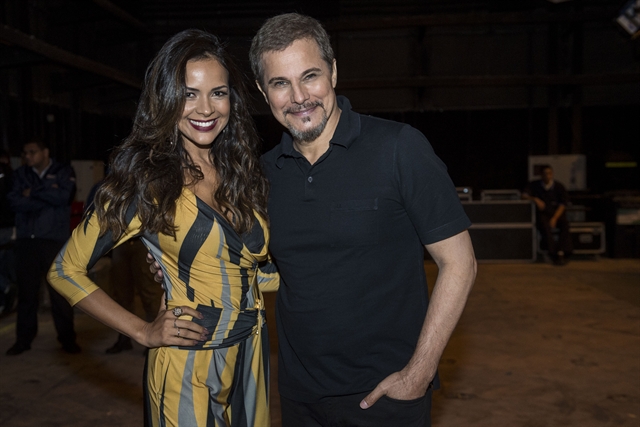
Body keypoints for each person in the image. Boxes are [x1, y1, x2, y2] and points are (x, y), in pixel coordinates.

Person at [251, 13, 476, 427]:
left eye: (311, 76)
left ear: (334, 71)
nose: (299, 96)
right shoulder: (264, 174)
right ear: (265, 93)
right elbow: (257, 264)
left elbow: (460, 263)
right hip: (300, 399)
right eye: (280, 83)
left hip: (386, 397)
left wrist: (418, 375)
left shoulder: (398, 148)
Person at [48, 29, 278, 427]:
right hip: (187, 366)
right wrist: (143, 330)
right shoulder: (146, 183)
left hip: (251, 359)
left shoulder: (240, 172)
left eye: (218, 93)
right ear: (166, 98)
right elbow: (65, 270)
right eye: (189, 93)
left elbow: (254, 275)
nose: (205, 108)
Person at [6, 139, 79, 355]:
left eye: (32, 152)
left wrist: (33, 193)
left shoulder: (63, 171)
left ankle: (67, 339)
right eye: (25, 152)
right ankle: (23, 339)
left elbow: (64, 196)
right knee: (27, 294)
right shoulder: (20, 174)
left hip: (53, 241)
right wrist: (48, 192)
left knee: (59, 293)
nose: (27, 156)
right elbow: (14, 202)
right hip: (27, 242)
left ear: (45, 153)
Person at [522, 164, 572, 265]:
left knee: (565, 225)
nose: (547, 176)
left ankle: (562, 251)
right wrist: (535, 199)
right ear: (541, 175)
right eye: (545, 174)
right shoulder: (534, 185)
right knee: (545, 227)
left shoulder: (559, 186)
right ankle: (554, 254)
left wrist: (554, 218)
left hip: (556, 214)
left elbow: (563, 205)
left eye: (549, 173)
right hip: (543, 214)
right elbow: (523, 196)